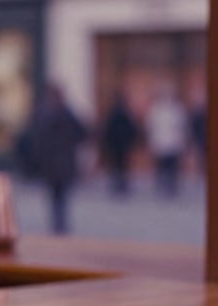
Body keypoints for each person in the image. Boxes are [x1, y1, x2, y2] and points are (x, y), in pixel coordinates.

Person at [27, 84, 87, 234]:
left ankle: (58, 225)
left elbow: (37, 138)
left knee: (57, 197)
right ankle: (60, 225)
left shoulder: (46, 113)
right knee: (59, 197)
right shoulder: (64, 113)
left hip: (54, 163)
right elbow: (82, 133)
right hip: (61, 162)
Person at [145, 86, 188, 198]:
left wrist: (181, 142)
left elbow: (182, 127)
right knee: (161, 167)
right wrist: (152, 142)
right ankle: (162, 186)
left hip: (172, 143)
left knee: (171, 168)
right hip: (161, 143)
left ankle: (171, 187)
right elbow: (151, 127)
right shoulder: (156, 109)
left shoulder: (177, 109)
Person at [100, 92, 138, 197]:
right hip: (120, 145)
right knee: (121, 166)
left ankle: (119, 184)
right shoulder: (123, 113)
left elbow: (108, 130)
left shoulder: (114, 113)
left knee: (117, 166)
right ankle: (121, 185)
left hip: (117, 144)